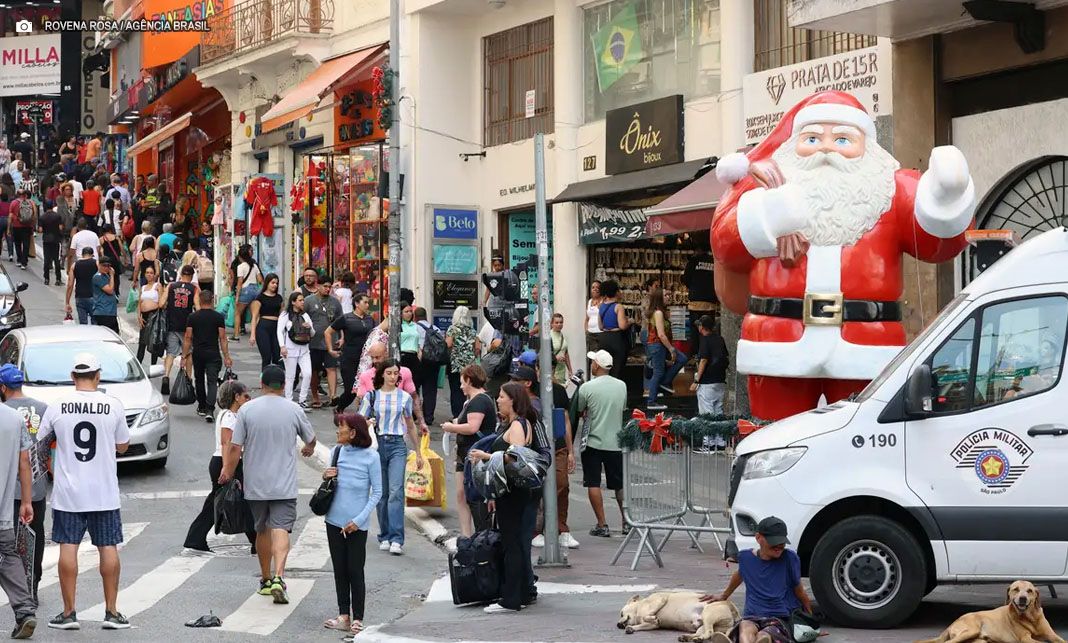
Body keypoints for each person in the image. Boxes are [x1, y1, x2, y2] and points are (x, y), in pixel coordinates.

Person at [40, 353, 131, 630]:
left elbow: (42, 445)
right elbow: (123, 445)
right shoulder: (112, 405)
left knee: (68, 547)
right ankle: (112, 611)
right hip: (103, 491)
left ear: (72, 377)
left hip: (69, 492)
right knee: (108, 547)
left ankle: (69, 613)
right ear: (98, 375)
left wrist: (55, 467)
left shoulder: (57, 406)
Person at [219, 364, 317, 605]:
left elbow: (235, 446)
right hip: (284, 483)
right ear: (284, 385)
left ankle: (265, 578)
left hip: (256, 483)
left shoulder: (247, 411)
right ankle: (279, 577)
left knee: (261, 530)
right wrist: (308, 448)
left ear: (262, 384)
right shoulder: (293, 409)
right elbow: (311, 439)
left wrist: (228, 472)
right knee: (281, 528)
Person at [467, 382, 550, 613]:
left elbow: (516, 457)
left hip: (514, 493)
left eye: (502, 396)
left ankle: (510, 599)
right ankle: (521, 593)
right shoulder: (516, 423)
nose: (498, 400)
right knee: (514, 544)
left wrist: (486, 455)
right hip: (511, 491)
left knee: (512, 544)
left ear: (513, 399)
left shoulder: (518, 424)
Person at [699, 517, 812, 643]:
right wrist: (724, 595)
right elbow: (739, 575)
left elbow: (800, 591)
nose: (779, 546)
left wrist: (809, 620)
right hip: (752, 616)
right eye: (773, 542)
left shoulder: (790, 558)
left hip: (779, 616)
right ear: (758, 538)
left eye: (782, 542)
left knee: (767, 633)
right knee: (745, 628)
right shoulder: (745, 557)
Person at [322, 413, 381, 636]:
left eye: (342, 428)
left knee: (356, 570)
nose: (338, 431)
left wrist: (359, 520)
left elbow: (378, 492)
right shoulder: (336, 451)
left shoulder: (371, 457)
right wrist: (326, 475)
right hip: (333, 520)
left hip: (357, 524)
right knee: (339, 570)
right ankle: (343, 615)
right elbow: (330, 481)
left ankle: (358, 618)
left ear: (353, 433)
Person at [183, 380, 257, 553]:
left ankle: (196, 538)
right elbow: (227, 444)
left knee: (226, 501)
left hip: (226, 461)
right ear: (236, 397)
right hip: (227, 462)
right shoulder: (229, 417)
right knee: (239, 501)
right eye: (246, 395)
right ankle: (256, 542)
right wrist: (227, 468)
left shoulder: (231, 415)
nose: (249, 398)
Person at [359, 359, 423, 556]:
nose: (393, 377)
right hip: (377, 444)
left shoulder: (404, 397)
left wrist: (418, 452)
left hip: (397, 445)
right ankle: (384, 534)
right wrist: (367, 421)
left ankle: (396, 538)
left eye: (396, 373)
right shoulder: (371, 396)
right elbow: (359, 419)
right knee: (382, 493)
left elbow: (410, 424)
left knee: (396, 491)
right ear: (382, 375)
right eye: (389, 373)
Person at [511, 365, 579, 550]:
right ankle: (537, 530)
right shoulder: (517, 398)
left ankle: (562, 529)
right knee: (537, 490)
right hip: (534, 449)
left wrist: (571, 451)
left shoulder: (556, 391)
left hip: (557, 447)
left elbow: (565, 420)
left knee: (562, 485)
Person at [1, 364, 48, 603]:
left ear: (2, 387)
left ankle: (16, 592)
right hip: (36, 487)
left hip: (8, 487)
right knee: (35, 536)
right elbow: (50, 448)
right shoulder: (42, 408)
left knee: (7, 541)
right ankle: (33, 586)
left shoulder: (4, 411)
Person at [575, 350, 627, 537]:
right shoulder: (622, 386)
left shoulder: (587, 388)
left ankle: (602, 523)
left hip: (593, 441)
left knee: (593, 482)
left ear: (596, 365)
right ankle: (626, 521)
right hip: (615, 441)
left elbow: (580, 410)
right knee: (619, 484)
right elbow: (622, 408)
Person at [0, 374, 36, 639]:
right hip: (3, 513)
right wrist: (26, 500)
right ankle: (25, 611)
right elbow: (25, 462)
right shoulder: (14, 419)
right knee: (9, 557)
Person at [441, 364, 496, 537]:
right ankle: (466, 535)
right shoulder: (471, 401)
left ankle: (479, 535)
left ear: (469, 380)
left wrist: (451, 427)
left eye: (462, 382)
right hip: (465, 453)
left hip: (475, 455)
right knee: (461, 494)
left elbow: (473, 427)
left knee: (473, 495)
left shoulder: (479, 400)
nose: (460, 386)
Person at [183, 290, 233, 420]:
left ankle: (202, 406)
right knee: (212, 381)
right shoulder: (218, 317)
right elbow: (222, 338)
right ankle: (210, 409)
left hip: (198, 353)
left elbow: (188, 337)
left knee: (199, 380)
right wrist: (227, 356)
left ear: (199, 300)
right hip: (213, 353)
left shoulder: (192, 317)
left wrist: (183, 356)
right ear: (212, 300)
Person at [326, 293, 375, 411]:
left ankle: (365, 413)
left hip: (366, 359)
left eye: (368, 302)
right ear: (357, 304)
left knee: (368, 388)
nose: (368, 305)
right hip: (349, 358)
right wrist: (330, 349)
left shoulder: (370, 319)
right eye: (365, 302)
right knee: (351, 389)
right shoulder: (346, 318)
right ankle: (339, 408)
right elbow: (328, 332)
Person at [645, 286, 688, 411]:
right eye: (666, 295)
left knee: (682, 359)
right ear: (659, 298)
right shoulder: (658, 313)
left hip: (660, 345)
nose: (669, 297)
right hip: (658, 344)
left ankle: (664, 383)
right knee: (658, 372)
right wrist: (671, 349)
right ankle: (651, 401)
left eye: (669, 295)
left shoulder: (661, 312)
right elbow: (661, 334)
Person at [160, 265, 200, 396]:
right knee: (188, 353)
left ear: (181, 274)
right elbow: (198, 308)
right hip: (187, 326)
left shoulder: (171, 286)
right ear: (192, 275)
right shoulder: (194, 289)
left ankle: (166, 377)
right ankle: (188, 380)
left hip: (172, 324)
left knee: (171, 353)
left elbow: (161, 304)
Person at [306, 280, 343, 408]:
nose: (327, 289)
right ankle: (315, 396)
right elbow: (302, 317)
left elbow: (341, 321)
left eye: (329, 287)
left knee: (331, 368)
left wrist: (342, 337)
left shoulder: (335, 302)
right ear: (318, 286)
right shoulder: (308, 301)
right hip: (313, 342)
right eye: (325, 286)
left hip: (331, 342)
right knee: (314, 370)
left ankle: (333, 395)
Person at [277, 292, 314, 409]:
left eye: (303, 300)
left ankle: (302, 399)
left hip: (304, 349)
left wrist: (310, 327)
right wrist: (282, 346)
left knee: (308, 373)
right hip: (290, 349)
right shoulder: (285, 315)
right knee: (290, 376)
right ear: (293, 302)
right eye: (300, 300)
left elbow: (313, 333)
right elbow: (279, 331)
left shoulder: (305, 315)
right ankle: (289, 400)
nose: (302, 302)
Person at [444, 306, 479, 418]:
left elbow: (448, 344)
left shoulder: (452, 329)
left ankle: (457, 414)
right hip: (469, 365)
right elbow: (477, 348)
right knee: (469, 388)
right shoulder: (473, 331)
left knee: (455, 389)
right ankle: (467, 413)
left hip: (455, 363)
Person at [691, 315, 729, 417]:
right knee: (718, 413)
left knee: (707, 415)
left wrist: (696, 380)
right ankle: (719, 433)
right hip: (720, 381)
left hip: (707, 383)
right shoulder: (720, 339)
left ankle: (709, 434)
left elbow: (703, 360)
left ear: (701, 327)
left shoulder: (705, 340)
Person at [597, 280, 630, 380]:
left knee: (605, 367)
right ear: (615, 292)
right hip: (616, 339)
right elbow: (622, 326)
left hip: (604, 339)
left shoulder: (601, 306)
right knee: (617, 369)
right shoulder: (618, 307)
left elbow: (600, 326)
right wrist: (631, 321)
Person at [250, 273, 283, 369]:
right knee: (266, 356)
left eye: (276, 283)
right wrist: (253, 335)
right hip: (263, 327)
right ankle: (264, 380)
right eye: (273, 283)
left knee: (277, 357)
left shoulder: (279, 298)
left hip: (276, 327)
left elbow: (282, 315)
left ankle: (276, 380)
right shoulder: (260, 298)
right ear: (267, 283)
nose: (275, 285)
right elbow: (254, 316)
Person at [136, 265, 164, 364]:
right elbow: (139, 303)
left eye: (151, 273)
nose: (149, 274)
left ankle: (153, 366)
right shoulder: (143, 287)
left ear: (154, 275)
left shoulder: (157, 286)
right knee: (142, 343)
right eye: (147, 272)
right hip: (144, 316)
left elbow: (161, 302)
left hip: (154, 315)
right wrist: (139, 316)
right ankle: (138, 364)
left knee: (153, 341)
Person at [233, 245, 262, 340]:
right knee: (255, 314)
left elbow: (240, 283)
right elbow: (260, 280)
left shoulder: (240, 267)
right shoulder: (254, 266)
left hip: (245, 291)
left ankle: (236, 335)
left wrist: (237, 297)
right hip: (255, 290)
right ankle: (257, 334)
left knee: (237, 313)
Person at [65, 247, 97, 325]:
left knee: (83, 323)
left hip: (80, 296)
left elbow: (70, 285)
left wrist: (67, 302)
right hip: (94, 296)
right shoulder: (97, 263)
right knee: (95, 323)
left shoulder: (74, 265)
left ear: (82, 255)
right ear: (92, 255)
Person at [37, 200, 64, 286]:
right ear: (52, 206)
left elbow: (40, 230)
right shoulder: (57, 216)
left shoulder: (42, 217)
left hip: (46, 240)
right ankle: (58, 279)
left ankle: (46, 278)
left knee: (47, 259)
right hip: (56, 239)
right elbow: (60, 228)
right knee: (56, 259)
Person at [9, 189, 35, 270]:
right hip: (27, 226)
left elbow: (10, 216)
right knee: (26, 244)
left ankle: (19, 260)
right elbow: (34, 215)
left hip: (16, 226)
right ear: (25, 195)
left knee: (17, 243)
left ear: (17, 194)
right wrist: (33, 226)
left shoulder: (13, 203)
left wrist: (9, 228)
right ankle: (24, 262)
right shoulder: (30, 203)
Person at [90, 257, 119, 333]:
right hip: (103, 311)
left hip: (110, 312)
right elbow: (110, 290)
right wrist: (112, 275)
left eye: (108, 266)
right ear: (99, 265)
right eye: (104, 265)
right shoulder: (97, 277)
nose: (106, 268)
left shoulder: (105, 275)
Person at [98, 225, 126, 298]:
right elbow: (122, 249)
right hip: (115, 260)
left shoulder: (101, 239)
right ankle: (116, 293)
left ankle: (108, 292)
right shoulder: (116, 237)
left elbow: (100, 251)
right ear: (111, 230)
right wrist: (125, 258)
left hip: (106, 261)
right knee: (116, 277)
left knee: (106, 277)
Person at [550, 313, 573, 385]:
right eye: (556, 323)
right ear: (552, 324)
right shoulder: (549, 336)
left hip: (562, 371)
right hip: (552, 371)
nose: (559, 324)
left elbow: (566, 353)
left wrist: (570, 370)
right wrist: (555, 358)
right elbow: (545, 355)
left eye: (561, 322)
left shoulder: (562, 335)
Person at [398, 305, 420, 380]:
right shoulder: (398, 326)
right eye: (406, 312)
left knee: (415, 382)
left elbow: (418, 342)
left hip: (414, 356)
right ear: (400, 313)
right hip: (402, 356)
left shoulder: (415, 325)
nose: (409, 314)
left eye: (410, 311)